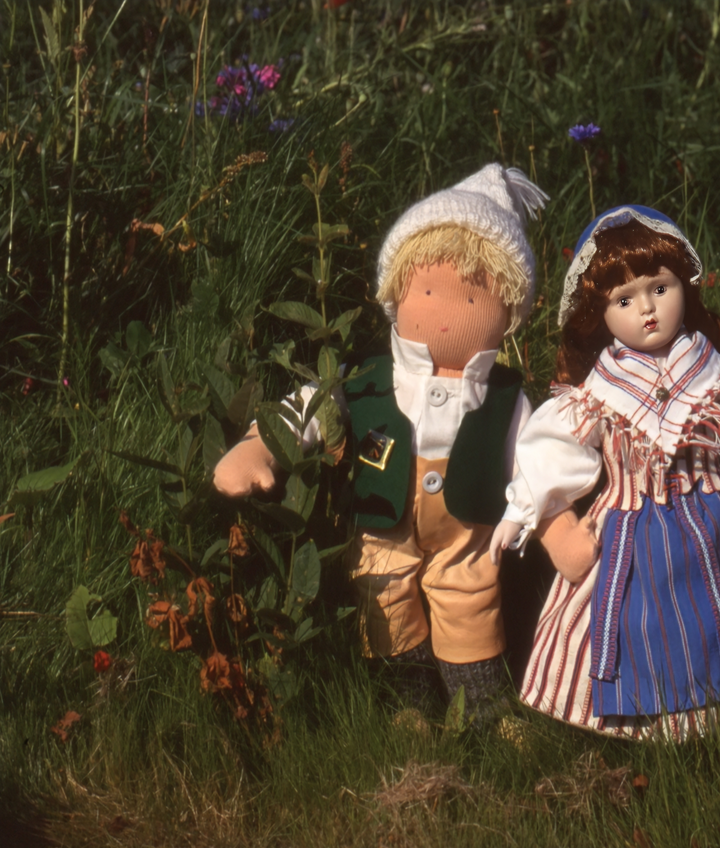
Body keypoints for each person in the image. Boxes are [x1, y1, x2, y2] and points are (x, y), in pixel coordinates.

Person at [490, 205, 720, 739]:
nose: (647, 309)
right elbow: (550, 453)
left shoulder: (714, 373)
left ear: (684, 286)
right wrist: (521, 510)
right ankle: (653, 717)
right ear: (599, 313)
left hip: (718, 519)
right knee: (641, 623)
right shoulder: (596, 395)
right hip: (630, 530)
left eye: (660, 288)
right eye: (624, 300)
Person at [214, 164, 548, 719]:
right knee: (381, 588)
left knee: (470, 595)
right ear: (397, 293)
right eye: (428, 290)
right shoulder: (368, 377)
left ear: (508, 310)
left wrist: (548, 513)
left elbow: (540, 456)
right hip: (380, 518)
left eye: (473, 300)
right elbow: (311, 405)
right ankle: (408, 705)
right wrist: (260, 444)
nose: (447, 314)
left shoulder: (508, 397)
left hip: (470, 531)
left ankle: (485, 707)